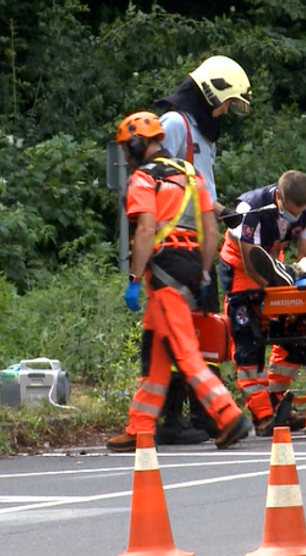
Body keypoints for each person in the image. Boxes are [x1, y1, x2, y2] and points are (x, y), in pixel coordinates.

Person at [107, 111, 251, 452]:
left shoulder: (143, 180)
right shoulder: (191, 175)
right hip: (188, 267)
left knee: (184, 351)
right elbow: (211, 230)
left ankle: (229, 414)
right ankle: (140, 426)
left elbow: (144, 230)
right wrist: (201, 272)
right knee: (156, 352)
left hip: (163, 270)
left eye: (128, 149)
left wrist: (133, 277)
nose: (126, 156)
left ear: (139, 144)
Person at [152, 55, 252, 444]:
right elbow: (155, 179)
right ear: (213, 93)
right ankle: (170, 420)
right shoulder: (175, 125)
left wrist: (219, 210)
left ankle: (205, 413)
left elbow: (196, 185)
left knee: (205, 331)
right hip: (174, 246)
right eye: (228, 102)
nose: (226, 112)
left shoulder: (201, 133)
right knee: (179, 333)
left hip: (196, 244)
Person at [217, 170, 306, 435]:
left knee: (291, 331)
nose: (296, 216)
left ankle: (274, 400)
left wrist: (295, 292)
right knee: (247, 341)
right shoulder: (250, 209)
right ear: (278, 198)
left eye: (301, 211)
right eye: (290, 211)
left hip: (274, 265)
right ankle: (263, 416)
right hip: (241, 269)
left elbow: (305, 261)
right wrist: (277, 290)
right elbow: (252, 265)